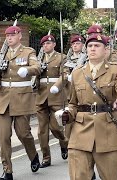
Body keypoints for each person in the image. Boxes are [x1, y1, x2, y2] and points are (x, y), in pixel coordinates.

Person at [55, 34, 117, 180]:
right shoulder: (78, 73)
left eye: (97, 46)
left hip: (107, 131)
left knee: (112, 177)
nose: (93, 49)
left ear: (105, 50)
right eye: (90, 46)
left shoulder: (116, 70)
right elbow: (73, 104)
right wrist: (67, 114)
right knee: (78, 176)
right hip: (81, 132)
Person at [0, 25, 41, 180]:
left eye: (12, 35)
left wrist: (28, 71)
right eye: (7, 36)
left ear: (19, 36)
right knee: (3, 136)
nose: (9, 38)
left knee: (24, 134)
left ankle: (33, 155)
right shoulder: (2, 54)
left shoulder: (29, 51)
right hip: (4, 101)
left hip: (22, 99)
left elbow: (37, 67)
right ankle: (7, 171)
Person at [35, 34, 69, 168]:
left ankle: (64, 142)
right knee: (41, 130)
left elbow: (65, 74)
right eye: (43, 44)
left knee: (55, 127)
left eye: (48, 44)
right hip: (41, 96)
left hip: (56, 95)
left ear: (54, 44)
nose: (45, 46)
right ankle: (46, 158)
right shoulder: (38, 59)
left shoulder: (61, 57)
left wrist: (57, 86)